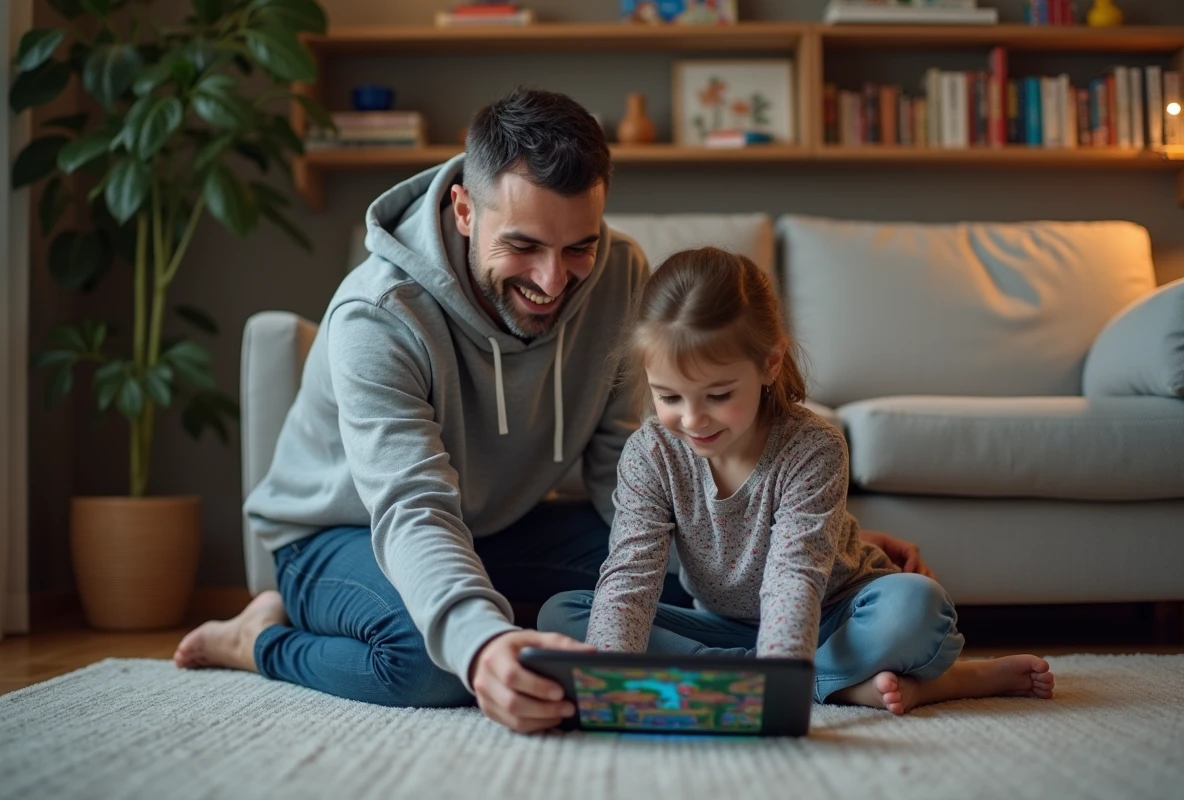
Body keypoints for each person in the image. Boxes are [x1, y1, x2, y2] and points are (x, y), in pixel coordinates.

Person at [174, 88, 933, 733]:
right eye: (525, 246)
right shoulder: (378, 316)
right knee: (431, 665)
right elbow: (410, 508)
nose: (553, 280)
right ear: (465, 209)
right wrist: (478, 647)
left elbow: (628, 473)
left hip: (502, 525)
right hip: (348, 530)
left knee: (698, 591)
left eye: (579, 248)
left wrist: (820, 532)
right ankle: (258, 639)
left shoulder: (621, 273)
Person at [539, 247, 1055, 715]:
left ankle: (764, 680)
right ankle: (840, 684)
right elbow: (631, 578)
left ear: (769, 364)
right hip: (721, 624)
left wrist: (776, 686)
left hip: (833, 613)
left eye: (717, 395)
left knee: (917, 607)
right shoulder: (649, 453)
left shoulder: (813, 446)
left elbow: (794, 579)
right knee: (562, 615)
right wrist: (606, 681)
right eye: (669, 397)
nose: (693, 419)